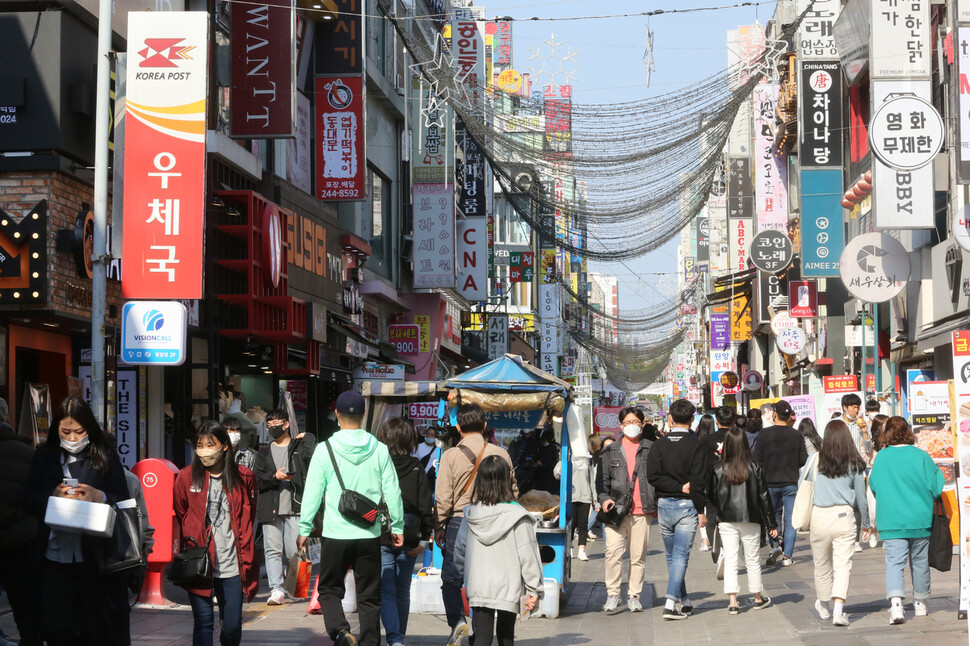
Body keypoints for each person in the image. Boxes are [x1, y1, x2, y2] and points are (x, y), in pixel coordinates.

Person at [296, 391, 404, 646]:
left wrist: (304, 527)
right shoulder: (379, 449)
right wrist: (397, 526)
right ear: (364, 415)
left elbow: (312, 492)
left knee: (329, 589)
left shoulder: (324, 450)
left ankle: (339, 631)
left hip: (335, 534)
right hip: (369, 534)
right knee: (370, 596)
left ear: (337, 415)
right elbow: (393, 491)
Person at [22, 397, 131, 646]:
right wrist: (52, 495)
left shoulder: (105, 456)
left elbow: (123, 500)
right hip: (53, 557)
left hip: (95, 559)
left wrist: (98, 496)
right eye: (66, 431)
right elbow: (27, 500)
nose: (72, 438)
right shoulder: (44, 456)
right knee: (57, 629)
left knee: (95, 631)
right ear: (56, 430)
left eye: (79, 432)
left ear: (89, 429)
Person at [435, 403, 518, 644]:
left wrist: (439, 525)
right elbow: (513, 492)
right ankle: (482, 634)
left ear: (458, 427)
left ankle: (458, 621)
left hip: (460, 521)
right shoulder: (501, 453)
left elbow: (443, 497)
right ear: (484, 426)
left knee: (452, 579)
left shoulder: (450, 455)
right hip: (495, 520)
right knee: (488, 578)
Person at [173, 421, 258, 646]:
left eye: (210, 445)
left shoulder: (244, 476)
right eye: (199, 445)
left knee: (232, 626)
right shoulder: (185, 477)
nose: (204, 451)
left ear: (225, 447)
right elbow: (182, 512)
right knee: (203, 622)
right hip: (199, 562)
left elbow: (249, 514)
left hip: (232, 563)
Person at [454, 456, 543, 646]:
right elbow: (528, 556)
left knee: (482, 636)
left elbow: (460, 551)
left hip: (478, 584)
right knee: (506, 635)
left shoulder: (470, 514)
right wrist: (534, 588)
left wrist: (464, 574)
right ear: (507, 479)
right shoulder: (518, 515)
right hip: (509, 586)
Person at [869, 416, 944, 626]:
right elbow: (936, 486)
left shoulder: (882, 457)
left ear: (887, 433)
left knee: (894, 562)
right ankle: (920, 603)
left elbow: (874, 485)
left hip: (891, 520)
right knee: (920, 561)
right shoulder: (921, 456)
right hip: (920, 518)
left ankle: (896, 606)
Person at [804, 420, 871, 627]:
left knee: (822, 564)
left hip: (819, 516)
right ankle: (838, 611)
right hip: (844, 516)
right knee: (843, 566)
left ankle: (823, 606)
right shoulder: (854, 463)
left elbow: (803, 485)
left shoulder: (815, 459)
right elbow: (862, 497)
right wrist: (866, 524)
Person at [647, 399, 708, 620]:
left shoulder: (658, 445)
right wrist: (701, 509)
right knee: (681, 556)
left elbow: (652, 477)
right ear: (692, 419)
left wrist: (673, 486)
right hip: (687, 505)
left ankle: (685, 601)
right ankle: (670, 603)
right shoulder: (696, 445)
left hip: (664, 505)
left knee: (673, 558)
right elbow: (699, 481)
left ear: (670, 418)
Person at [707, 427, 777, 614]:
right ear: (745, 444)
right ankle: (757, 597)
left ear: (726, 445)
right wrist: (771, 523)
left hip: (726, 519)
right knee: (752, 559)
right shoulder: (754, 466)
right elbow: (763, 495)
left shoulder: (717, 467)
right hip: (751, 518)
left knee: (730, 560)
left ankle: (733, 602)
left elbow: (712, 495)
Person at [378, 418, 434, 646]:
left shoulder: (378, 465)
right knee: (402, 591)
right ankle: (397, 639)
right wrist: (425, 538)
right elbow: (424, 505)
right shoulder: (416, 466)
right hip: (410, 537)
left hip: (381, 534)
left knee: (386, 591)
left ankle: (395, 639)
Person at [595, 407, 656, 613]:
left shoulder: (651, 448)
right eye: (628, 422)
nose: (632, 426)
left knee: (638, 555)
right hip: (616, 511)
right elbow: (601, 482)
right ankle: (613, 594)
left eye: (636, 422)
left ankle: (633, 595)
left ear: (642, 423)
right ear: (620, 425)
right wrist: (604, 499)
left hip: (642, 510)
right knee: (613, 552)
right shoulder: (609, 451)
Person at [254, 409, 316, 605]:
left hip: (295, 507)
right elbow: (258, 480)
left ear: (286, 424)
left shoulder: (298, 448)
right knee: (272, 550)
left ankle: (296, 587)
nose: (272, 427)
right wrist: (275, 478)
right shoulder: (263, 452)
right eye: (269, 424)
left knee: (294, 551)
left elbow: (313, 458)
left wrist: (309, 437)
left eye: (276, 423)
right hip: (270, 507)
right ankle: (276, 590)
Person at [0, 396, 39, 645]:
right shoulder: (27, 452)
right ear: (6, 418)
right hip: (18, 541)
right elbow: (36, 499)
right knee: (25, 605)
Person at [753, 400, 807, 567]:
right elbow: (803, 459)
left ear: (774, 414)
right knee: (791, 520)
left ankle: (775, 546)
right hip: (790, 482)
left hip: (769, 483)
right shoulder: (796, 435)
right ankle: (788, 555)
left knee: (772, 516)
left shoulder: (763, 434)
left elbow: (757, 459)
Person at [555, 433, 598, 561]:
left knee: (583, 524)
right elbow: (556, 473)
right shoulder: (567, 457)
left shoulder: (587, 459)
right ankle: (570, 547)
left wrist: (594, 499)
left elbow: (591, 480)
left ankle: (582, 550)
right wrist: (560, 470)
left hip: (585, 496)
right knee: (571, 524)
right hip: (571, 497)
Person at [697, 406, 734, 552]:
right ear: (734, 421)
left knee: (712, 517)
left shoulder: (706, 440)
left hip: (712, 484)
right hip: (735, 484)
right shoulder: (738, 437)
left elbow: (701, 464)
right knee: (732, 518)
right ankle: (729, 548)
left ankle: (717, 550)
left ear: (717, 421)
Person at [508, 426, 540, 494]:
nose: (527, 435)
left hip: (530, 469)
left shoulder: (534, 442)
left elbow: (536, 454)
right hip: (518, 468)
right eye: (525, 434)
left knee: (527, 488)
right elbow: (512, 454)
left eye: (529, 433)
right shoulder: (517, 441)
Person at [531, 426, 560, 495]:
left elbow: (556, 463)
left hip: (551, 478)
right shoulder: (538, 447)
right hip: (539, 478)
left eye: (543, 439)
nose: (542, 441)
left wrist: (543, 464)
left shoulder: (555, 448)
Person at [413, 424, 438, 490]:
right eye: (428, 434)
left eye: (432, 435)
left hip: (432, 480)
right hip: (419, 479)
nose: (429, 436)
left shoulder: (439, 450)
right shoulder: (418, 447)